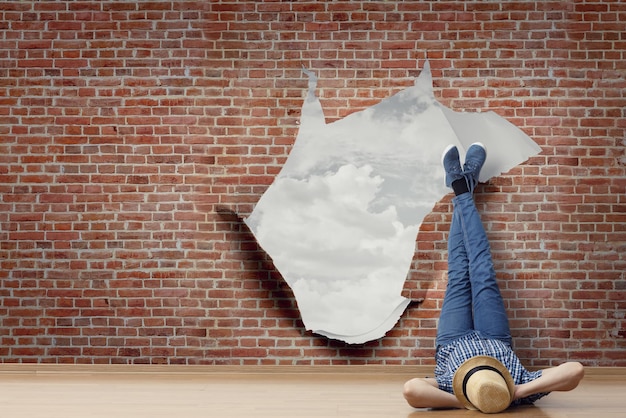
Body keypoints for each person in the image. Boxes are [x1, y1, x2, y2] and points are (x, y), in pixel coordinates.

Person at [403, 143, 584, 413]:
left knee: (459, 271)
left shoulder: (451, 388)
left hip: (453, 340)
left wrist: (467, 399)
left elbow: (412, 390)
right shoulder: (518, 389)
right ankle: (462, 187)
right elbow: (575, 370)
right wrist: (512, 392)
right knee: (482, 270)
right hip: (495, 336)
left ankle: (461, 187)